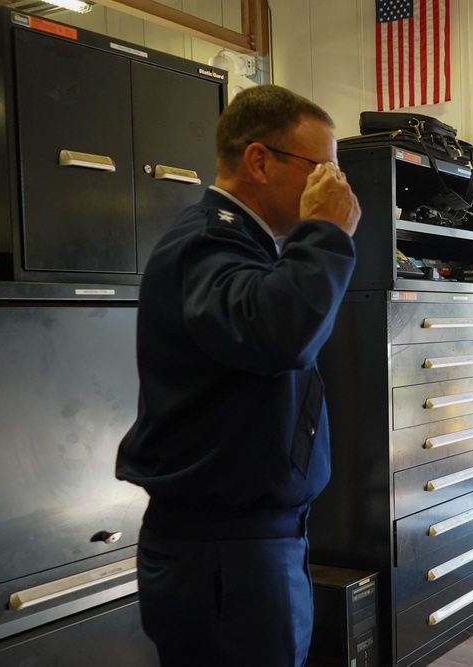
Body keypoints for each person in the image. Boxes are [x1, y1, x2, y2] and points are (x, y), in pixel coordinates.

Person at [116, 84, 361, 666]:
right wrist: (325, 234)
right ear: (259, 160)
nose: (336, 186)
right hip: (224, 551)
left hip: (257, 540)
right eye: (322, 168)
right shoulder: (207, 243)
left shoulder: (249, 246)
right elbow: (279, 334)